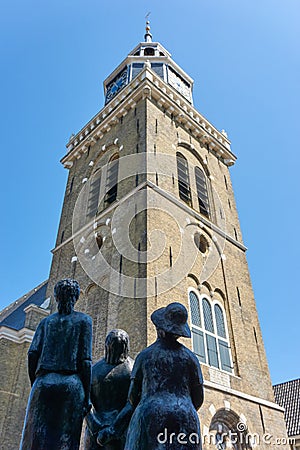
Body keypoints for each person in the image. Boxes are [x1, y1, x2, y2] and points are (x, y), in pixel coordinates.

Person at [98, 302, 204, 450]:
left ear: (160, 329)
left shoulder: (145, 356)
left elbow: (132, 399)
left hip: (150, 415)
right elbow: (198, 398)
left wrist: (113, 429)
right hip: (185, 416)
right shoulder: (191, 358)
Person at [19, 279, 92, 450]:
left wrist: (36, 383)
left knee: (34, 439)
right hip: (71, 385)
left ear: (56, 297)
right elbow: (86, 361)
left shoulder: (46, 322)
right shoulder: (84, 321)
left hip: (43, 383)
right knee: (66, 439)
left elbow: (32, 354)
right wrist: (87, 396)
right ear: (76, 297)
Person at [84, 329, 134, 450]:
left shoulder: (131, 370)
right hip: (117, 430)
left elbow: (85, 401)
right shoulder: (132, 369)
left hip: (117, 430)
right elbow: (85, 400)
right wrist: (106, 429)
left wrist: (96, 426)